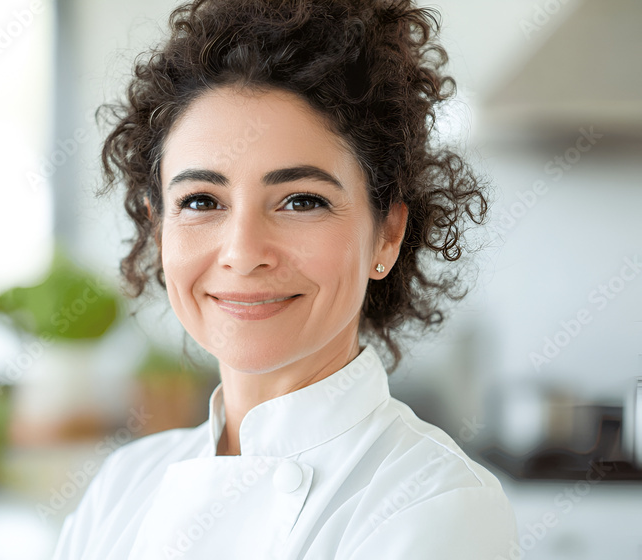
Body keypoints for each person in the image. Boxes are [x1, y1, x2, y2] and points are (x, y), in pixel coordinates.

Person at [52, 0, 519, 558]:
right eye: (201, 200)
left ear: (387, 233)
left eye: (301, 201)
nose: (244, 253)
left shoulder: (435, 505)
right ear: (159, 232)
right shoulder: (121, 490)